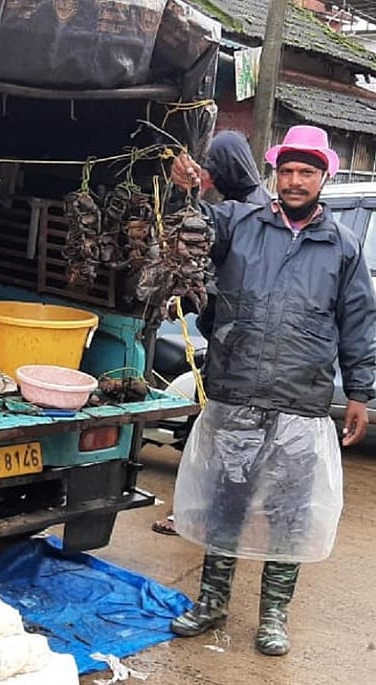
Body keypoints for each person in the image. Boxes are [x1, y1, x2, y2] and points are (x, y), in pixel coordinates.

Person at [167, 125, 376, 656]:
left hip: (301, 402)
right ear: (274, 174)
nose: (295, 180)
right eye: (287, 170)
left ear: (324, 177)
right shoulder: (239, 222)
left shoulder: (343, 248)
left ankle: (274, 617)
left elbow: (357, 323)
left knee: (290, 514)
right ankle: (211, 604)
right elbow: (187, 230)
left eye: (307, 172)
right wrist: (183, 188)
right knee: (226, 506)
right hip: (236, 390)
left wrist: (359, 392)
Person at [151, 130, 271, 536]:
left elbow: (229, 280)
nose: (208, 174)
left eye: (211, 167)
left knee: (215, 432)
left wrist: (189, 301)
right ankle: (221, 512)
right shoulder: (252, 205)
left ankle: (198, 514)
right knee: (234, 435)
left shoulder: (247, 213)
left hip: (236, 346)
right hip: (242, 344)